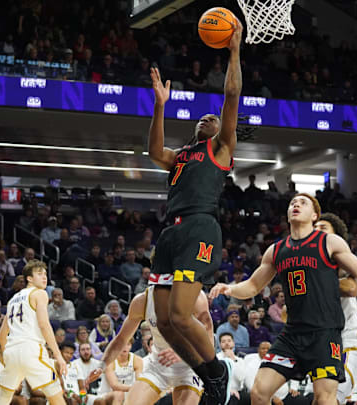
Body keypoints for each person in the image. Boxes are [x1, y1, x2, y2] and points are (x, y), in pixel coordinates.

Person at [210, 193, 357, 405]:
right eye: (293, 202)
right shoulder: (276, 250)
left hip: (324, 334)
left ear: (314, 215)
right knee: (259, 392)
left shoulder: (329, 242)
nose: (296, 204)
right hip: (292, 335)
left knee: (324, 399)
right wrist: (229, 289)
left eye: (303, 203)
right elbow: (253, 285)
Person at [146, 19, 243, 404]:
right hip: (171, 232)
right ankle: (209, 375)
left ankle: (217, 369)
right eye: (203, 117)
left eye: (214, 119)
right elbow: (155, 152)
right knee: (166, 322)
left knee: (184, 315)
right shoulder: (181, 157)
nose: (208, 117)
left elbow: (231, 96)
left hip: (201, 227)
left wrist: (234, 51)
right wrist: (159, 106)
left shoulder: (219, 149)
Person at [101, 285, 212, 405]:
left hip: (190, 366)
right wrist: (101, 365)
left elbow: (208, 340)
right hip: (158, 364)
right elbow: (121, 339)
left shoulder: (196, 297)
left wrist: (185, 353)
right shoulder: (143, 300)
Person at [315, 213, 357, 404]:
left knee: (331, 396)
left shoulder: (341, 261)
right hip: (326, 345)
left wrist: (316, 282)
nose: (316, 232)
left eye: (322, 228)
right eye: (314, 228)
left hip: (349, 341)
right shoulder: (305, 267)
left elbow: (351, 289)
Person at [0, 260, 66, 405]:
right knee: (56, 396)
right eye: (39, 274)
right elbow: (44, 325)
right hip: (31, 349)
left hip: (12, 351)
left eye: (45, 274)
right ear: (29, 278)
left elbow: (2, 335)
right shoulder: (40, 293)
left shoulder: (12, 300)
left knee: (2, 399)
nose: (44, 277)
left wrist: (4, 354)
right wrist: (58, 356)